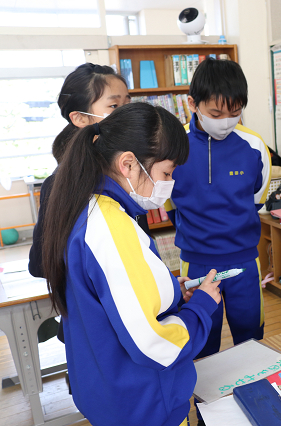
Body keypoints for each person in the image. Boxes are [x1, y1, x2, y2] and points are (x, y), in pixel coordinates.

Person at [40, 103, 221, 426]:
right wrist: (202, 307)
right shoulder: (111, 227)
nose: (170, 184)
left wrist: (167, 291)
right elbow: (156, 346)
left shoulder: (85, 205)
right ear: (128, 164)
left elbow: (111, 297)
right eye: (166, 173)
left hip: (110, 394)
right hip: (144, 405)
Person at [166, 58, 272, 358]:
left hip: (244, 263)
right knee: (201, 339)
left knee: (251, 340)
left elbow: (257, 199)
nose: (225, 121)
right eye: (215, 113)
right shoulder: (175, 147)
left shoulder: (254, 146)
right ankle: (204, 406)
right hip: (196, 264)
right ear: (192, 104)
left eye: (235, 113)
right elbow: (170, 205)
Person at [29, 63, 132, 279]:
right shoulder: (59, 185)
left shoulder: (129, 171)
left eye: (128, 103)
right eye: (114, 106)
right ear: (80, 118)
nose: (128, 113)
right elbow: (40, 265)